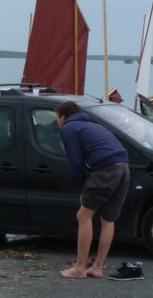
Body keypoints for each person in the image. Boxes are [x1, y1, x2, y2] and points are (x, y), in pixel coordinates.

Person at [55, 100, 130, 279]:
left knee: (83, 216)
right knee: (108, 219)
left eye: (57, 118)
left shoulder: (68, 128)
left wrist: (81, 188)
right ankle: (97, 267)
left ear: (63, 117)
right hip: (123, 167)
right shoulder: (94, 126)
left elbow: (75, 161)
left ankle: (79, 269)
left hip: (105, 170)